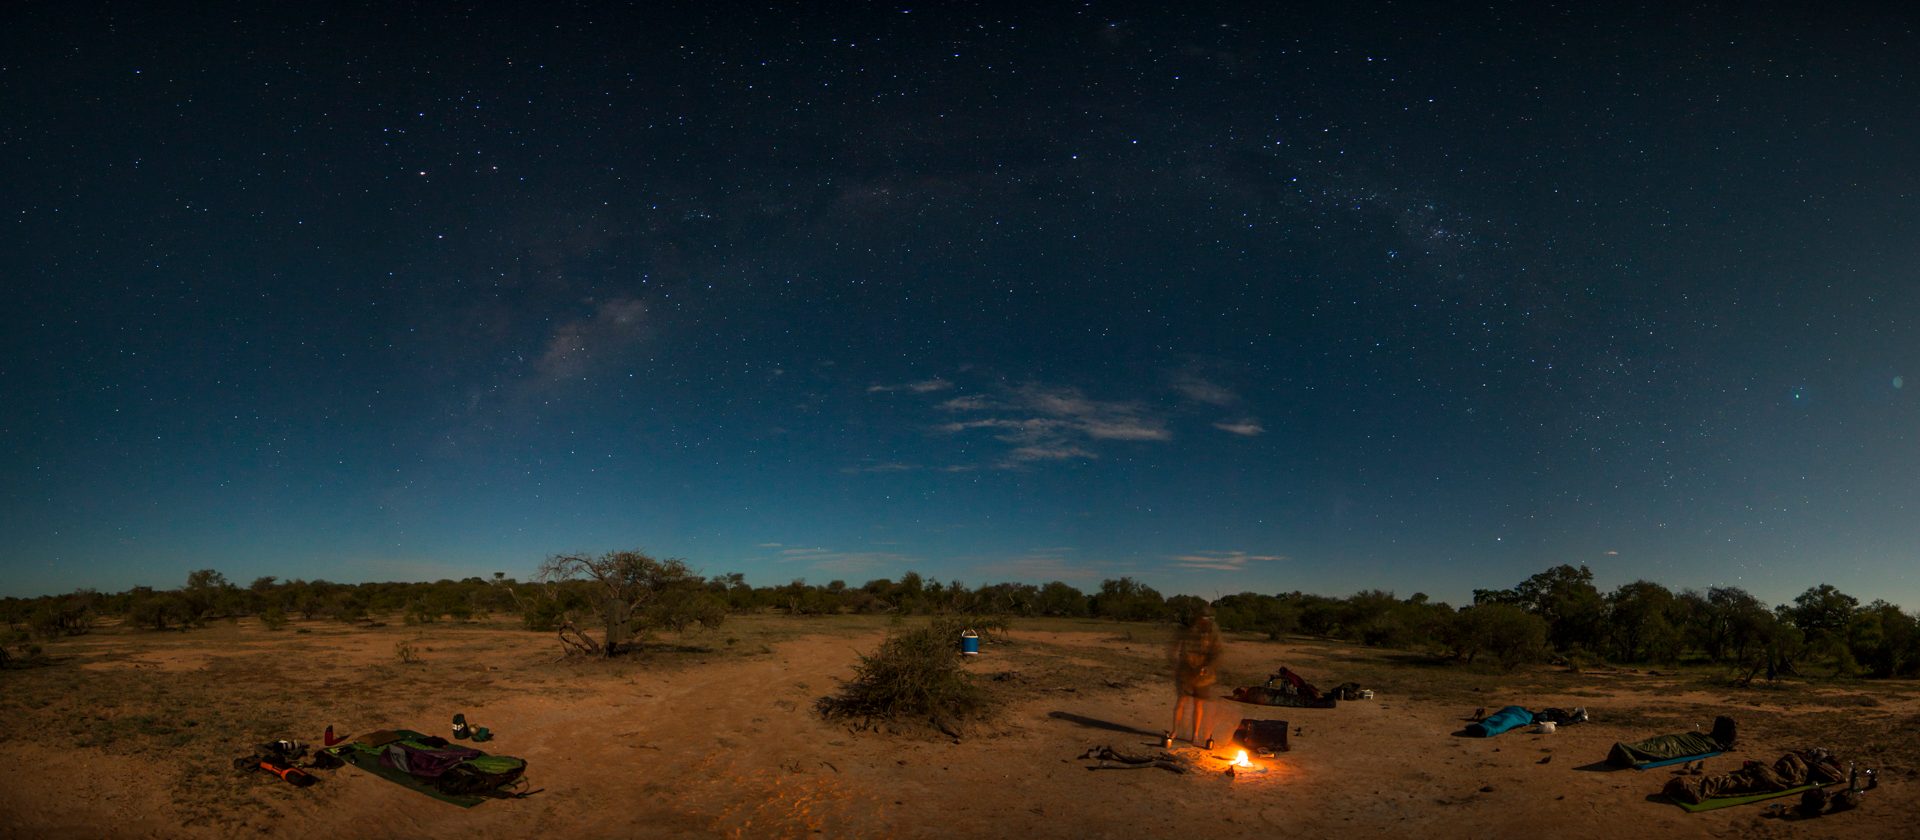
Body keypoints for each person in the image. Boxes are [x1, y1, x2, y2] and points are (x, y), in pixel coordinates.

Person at [1166, 606, 1224, 748]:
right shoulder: (1187, 630)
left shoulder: (1213, 633)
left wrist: (1208, 667)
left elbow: (1217, 653)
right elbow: (1174, 648)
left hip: (1203, 674)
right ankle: (1175, 731)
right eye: (1204, 617)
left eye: (1209, 618)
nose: (1206, 620)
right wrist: (1175, 662)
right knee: (1181, 701)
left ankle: (1195, 735)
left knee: (1199, 704)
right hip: (1186, 671)